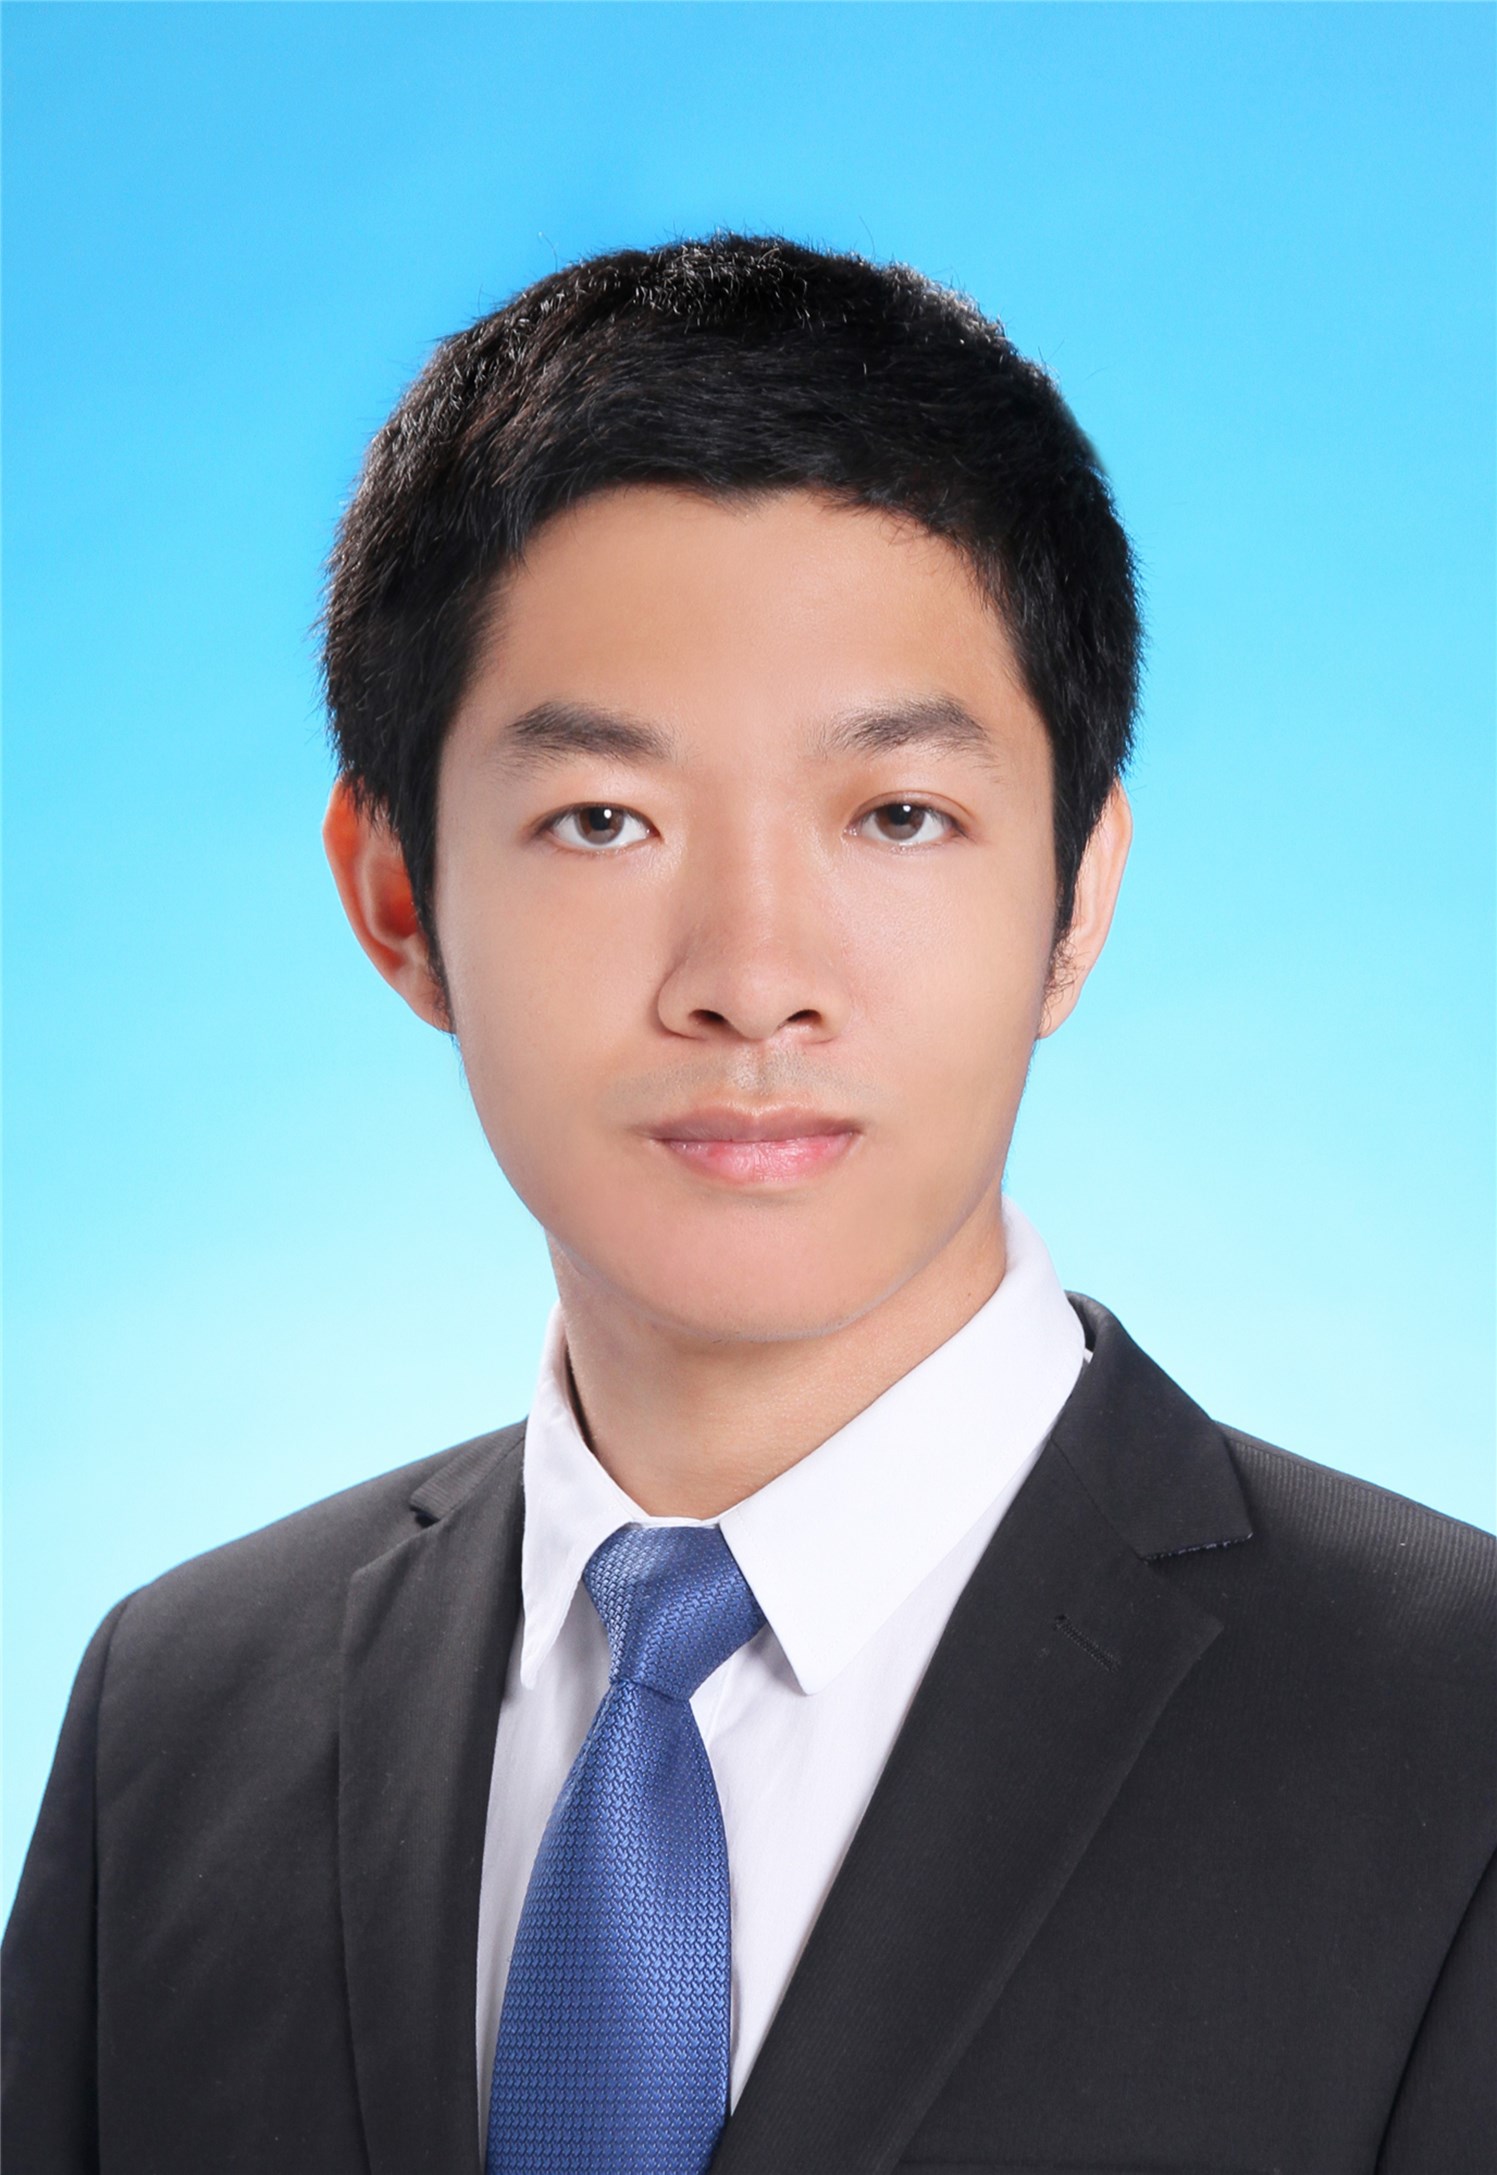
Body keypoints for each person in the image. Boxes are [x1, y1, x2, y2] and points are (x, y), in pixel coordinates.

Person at [4, 234, 1492, 2175]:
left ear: (1074, 896)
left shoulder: (1450, 1733)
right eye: (602, 819)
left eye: (896, 815)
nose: (752, 976)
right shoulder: (178, 1713)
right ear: (395, 898)